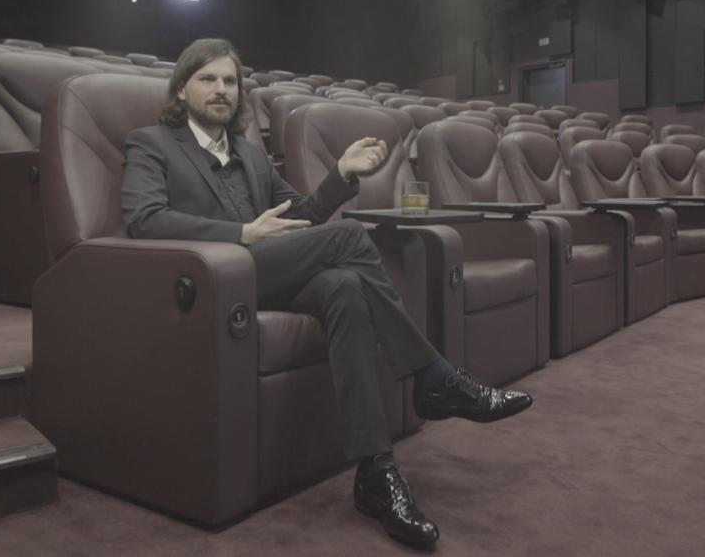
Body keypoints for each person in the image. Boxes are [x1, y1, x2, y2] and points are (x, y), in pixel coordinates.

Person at [120, 38, 532, 547]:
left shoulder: (250, 155)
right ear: (182, 90)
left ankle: (376, 471)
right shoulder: (151, 143)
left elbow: (301, 219)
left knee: (346, 286)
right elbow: (144, 219)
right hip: (211, 278)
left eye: (230, 81)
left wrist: (340, 174)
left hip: (267, 273)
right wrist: (242, 233)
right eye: (208, 79)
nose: (221, 89)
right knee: (350, 236)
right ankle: (433, 376)